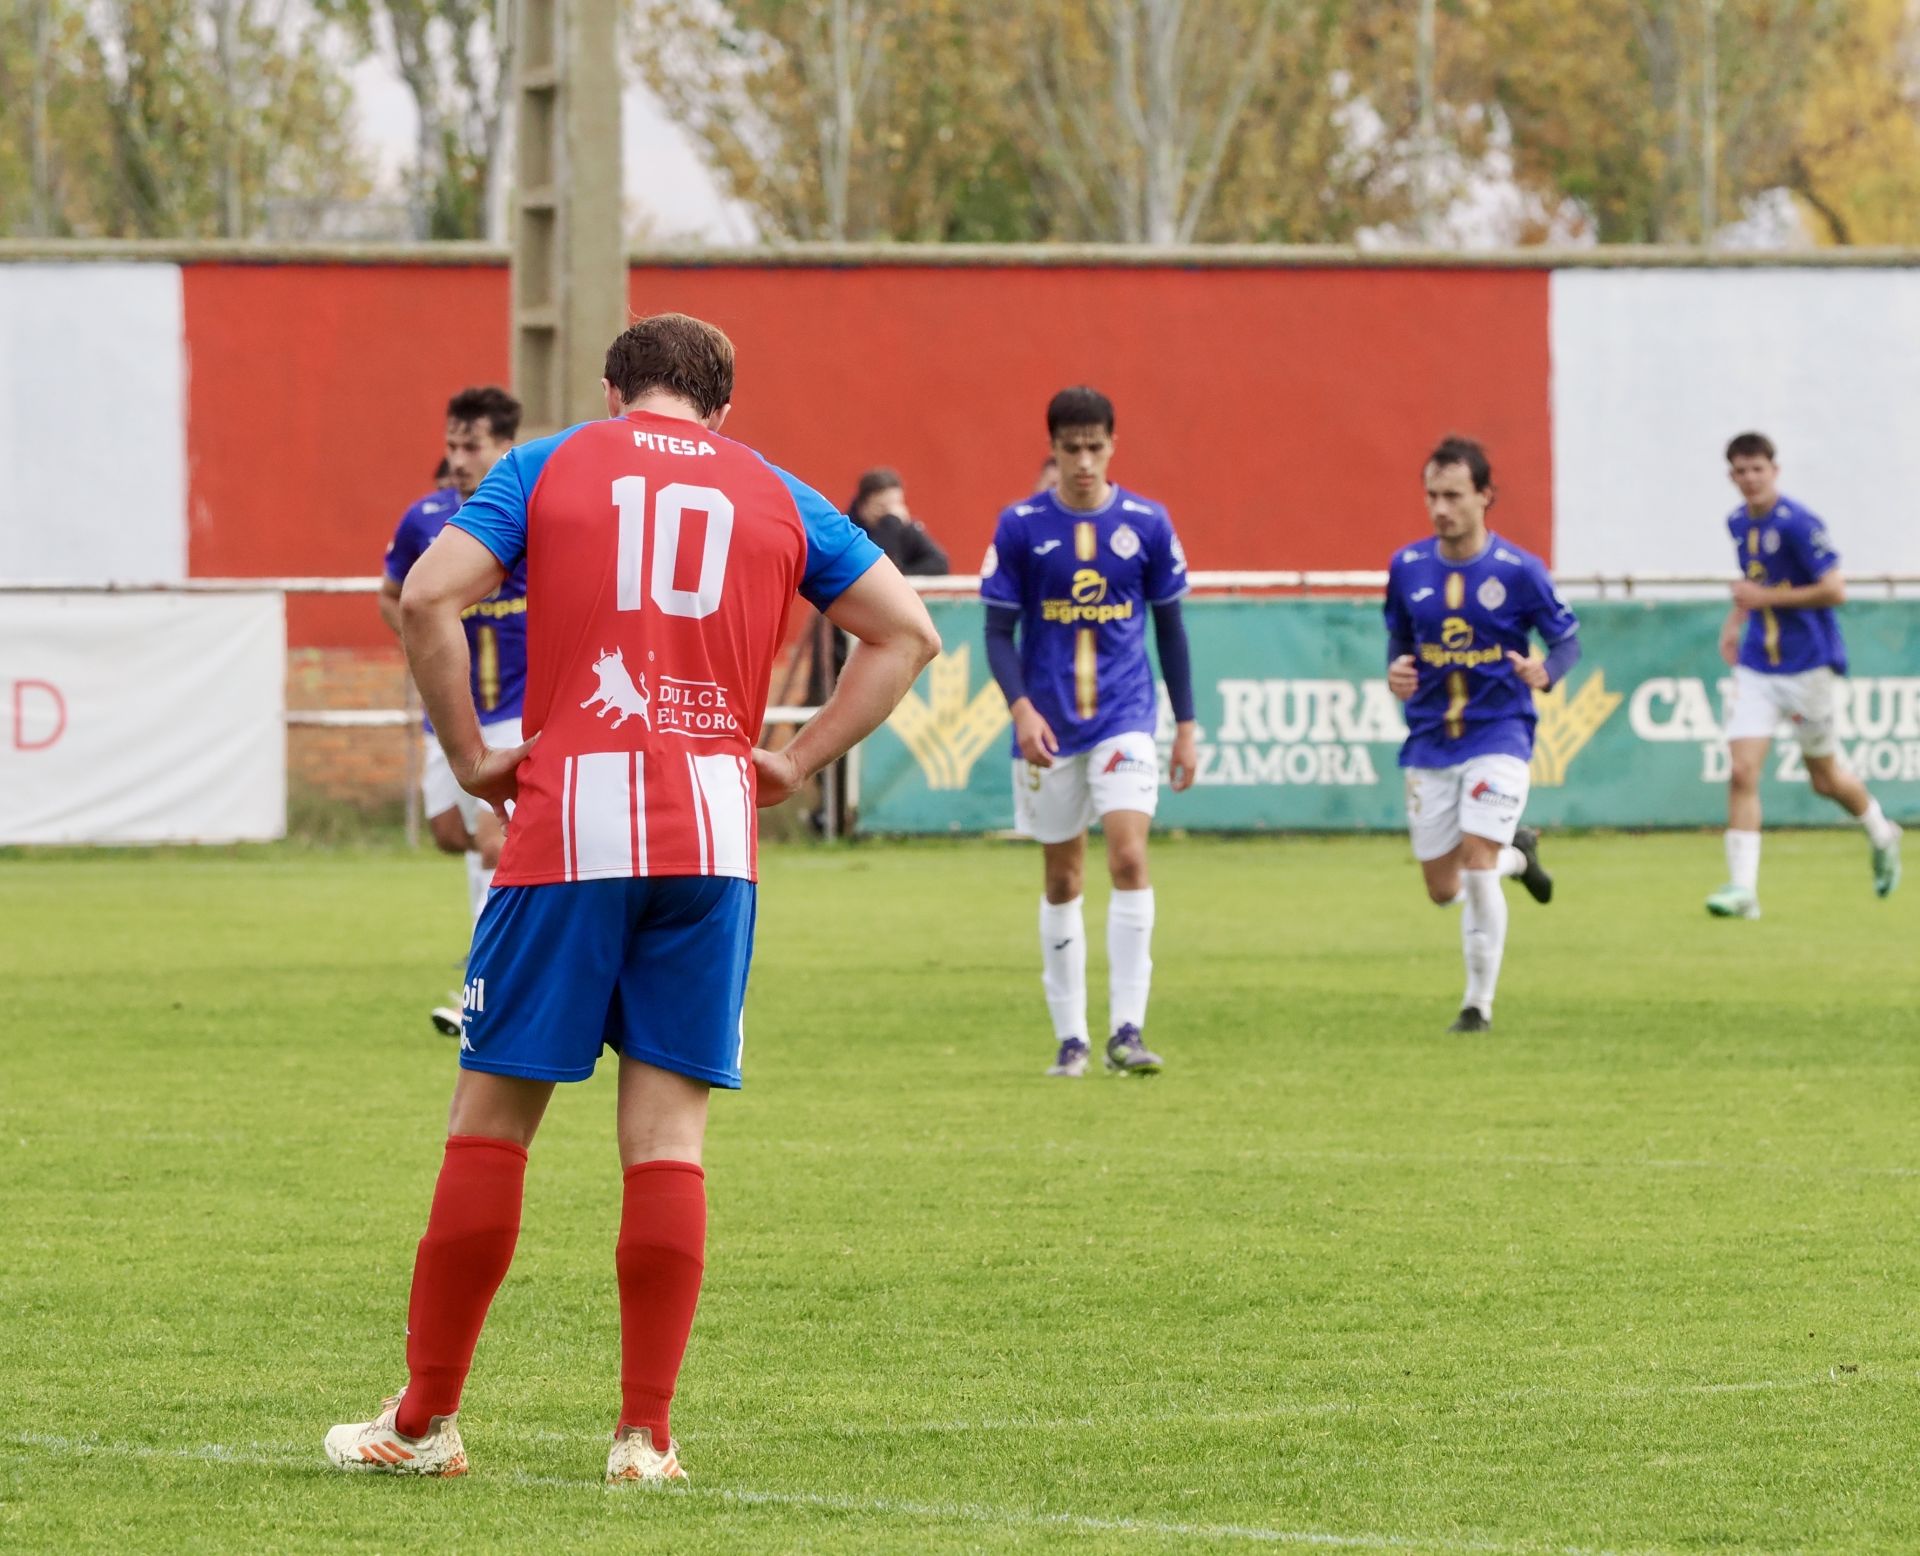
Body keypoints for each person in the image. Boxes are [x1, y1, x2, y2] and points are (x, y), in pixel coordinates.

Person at [324, 313, 939, 1483]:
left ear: (614, 390)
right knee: (668, 1139)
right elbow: (905, 632)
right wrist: (795, 761)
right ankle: (645, 1436)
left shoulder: (550, 461)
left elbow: (425, 600)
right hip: (712, 833)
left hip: (571, 822)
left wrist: (467, 755)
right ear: (722, 406)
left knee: (492, 1122)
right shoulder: (772, 486)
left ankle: (422, 1424)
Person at [980, 386, 1197, 1079]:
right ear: (1053, 448)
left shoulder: (1147, 523)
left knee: (1129, 857)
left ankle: (1127, 1031)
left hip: (1126, 716)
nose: (1082, 461)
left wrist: (1186, 724)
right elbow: (996, 631)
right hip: (1048, 726)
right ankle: (1071, 1038)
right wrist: (1019, 706)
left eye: (1094, 448)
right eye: (1070, 448)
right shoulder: (1019, 527)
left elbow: (1171, 628)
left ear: (1113, 446)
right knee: (1063, 873)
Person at [1384, 436, 1572, 1034]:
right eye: (1432, 496)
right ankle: (1521, 856)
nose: (1441, 509)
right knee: (1444, 888)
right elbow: (1400, 639)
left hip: (1501, 733)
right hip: (1431, 741)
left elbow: (1567, 640)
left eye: (1454, 496)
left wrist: (1547, 670)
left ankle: (1477, 1005)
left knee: (1475, 857)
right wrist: (1398, 671)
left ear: (1485, 496)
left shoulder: (1520, 572)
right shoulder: (1408, 567)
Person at [380, 388, 528, 1037]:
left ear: (505, 446)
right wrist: (426, 642)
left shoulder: (536, 515)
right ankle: (519, 933)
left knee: (497, 840)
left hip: (520, 708)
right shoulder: (427, 519)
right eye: (453, 445)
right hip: (452, 709)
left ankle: (483, 986)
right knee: (452, 835)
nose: (460, 458)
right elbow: (394, 595)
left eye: (473, 446)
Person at [1706, 432, 1901, 917]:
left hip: (1808, 664)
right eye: (1741, 470)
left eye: (1758, 468)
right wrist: (1735, 623)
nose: (1750, 478)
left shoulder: (1798, 523)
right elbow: (1754, 585)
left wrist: (1763, 601)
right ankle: (1743, 890)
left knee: (1825, 777)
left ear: (1774, 470)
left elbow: (1835, 590)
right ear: (1731, 476)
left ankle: (1881, 830)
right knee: (1742, 769)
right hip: (1757, 663)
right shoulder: (1736, 522)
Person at [847, 467, 950, 575]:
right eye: (881, 507)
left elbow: (939, 563)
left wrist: (899, 576)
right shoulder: (850, 531)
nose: (890, 513)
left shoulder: (903, 526)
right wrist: (890, 524)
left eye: (895, 505)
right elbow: (874, 567)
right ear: (862, 506)